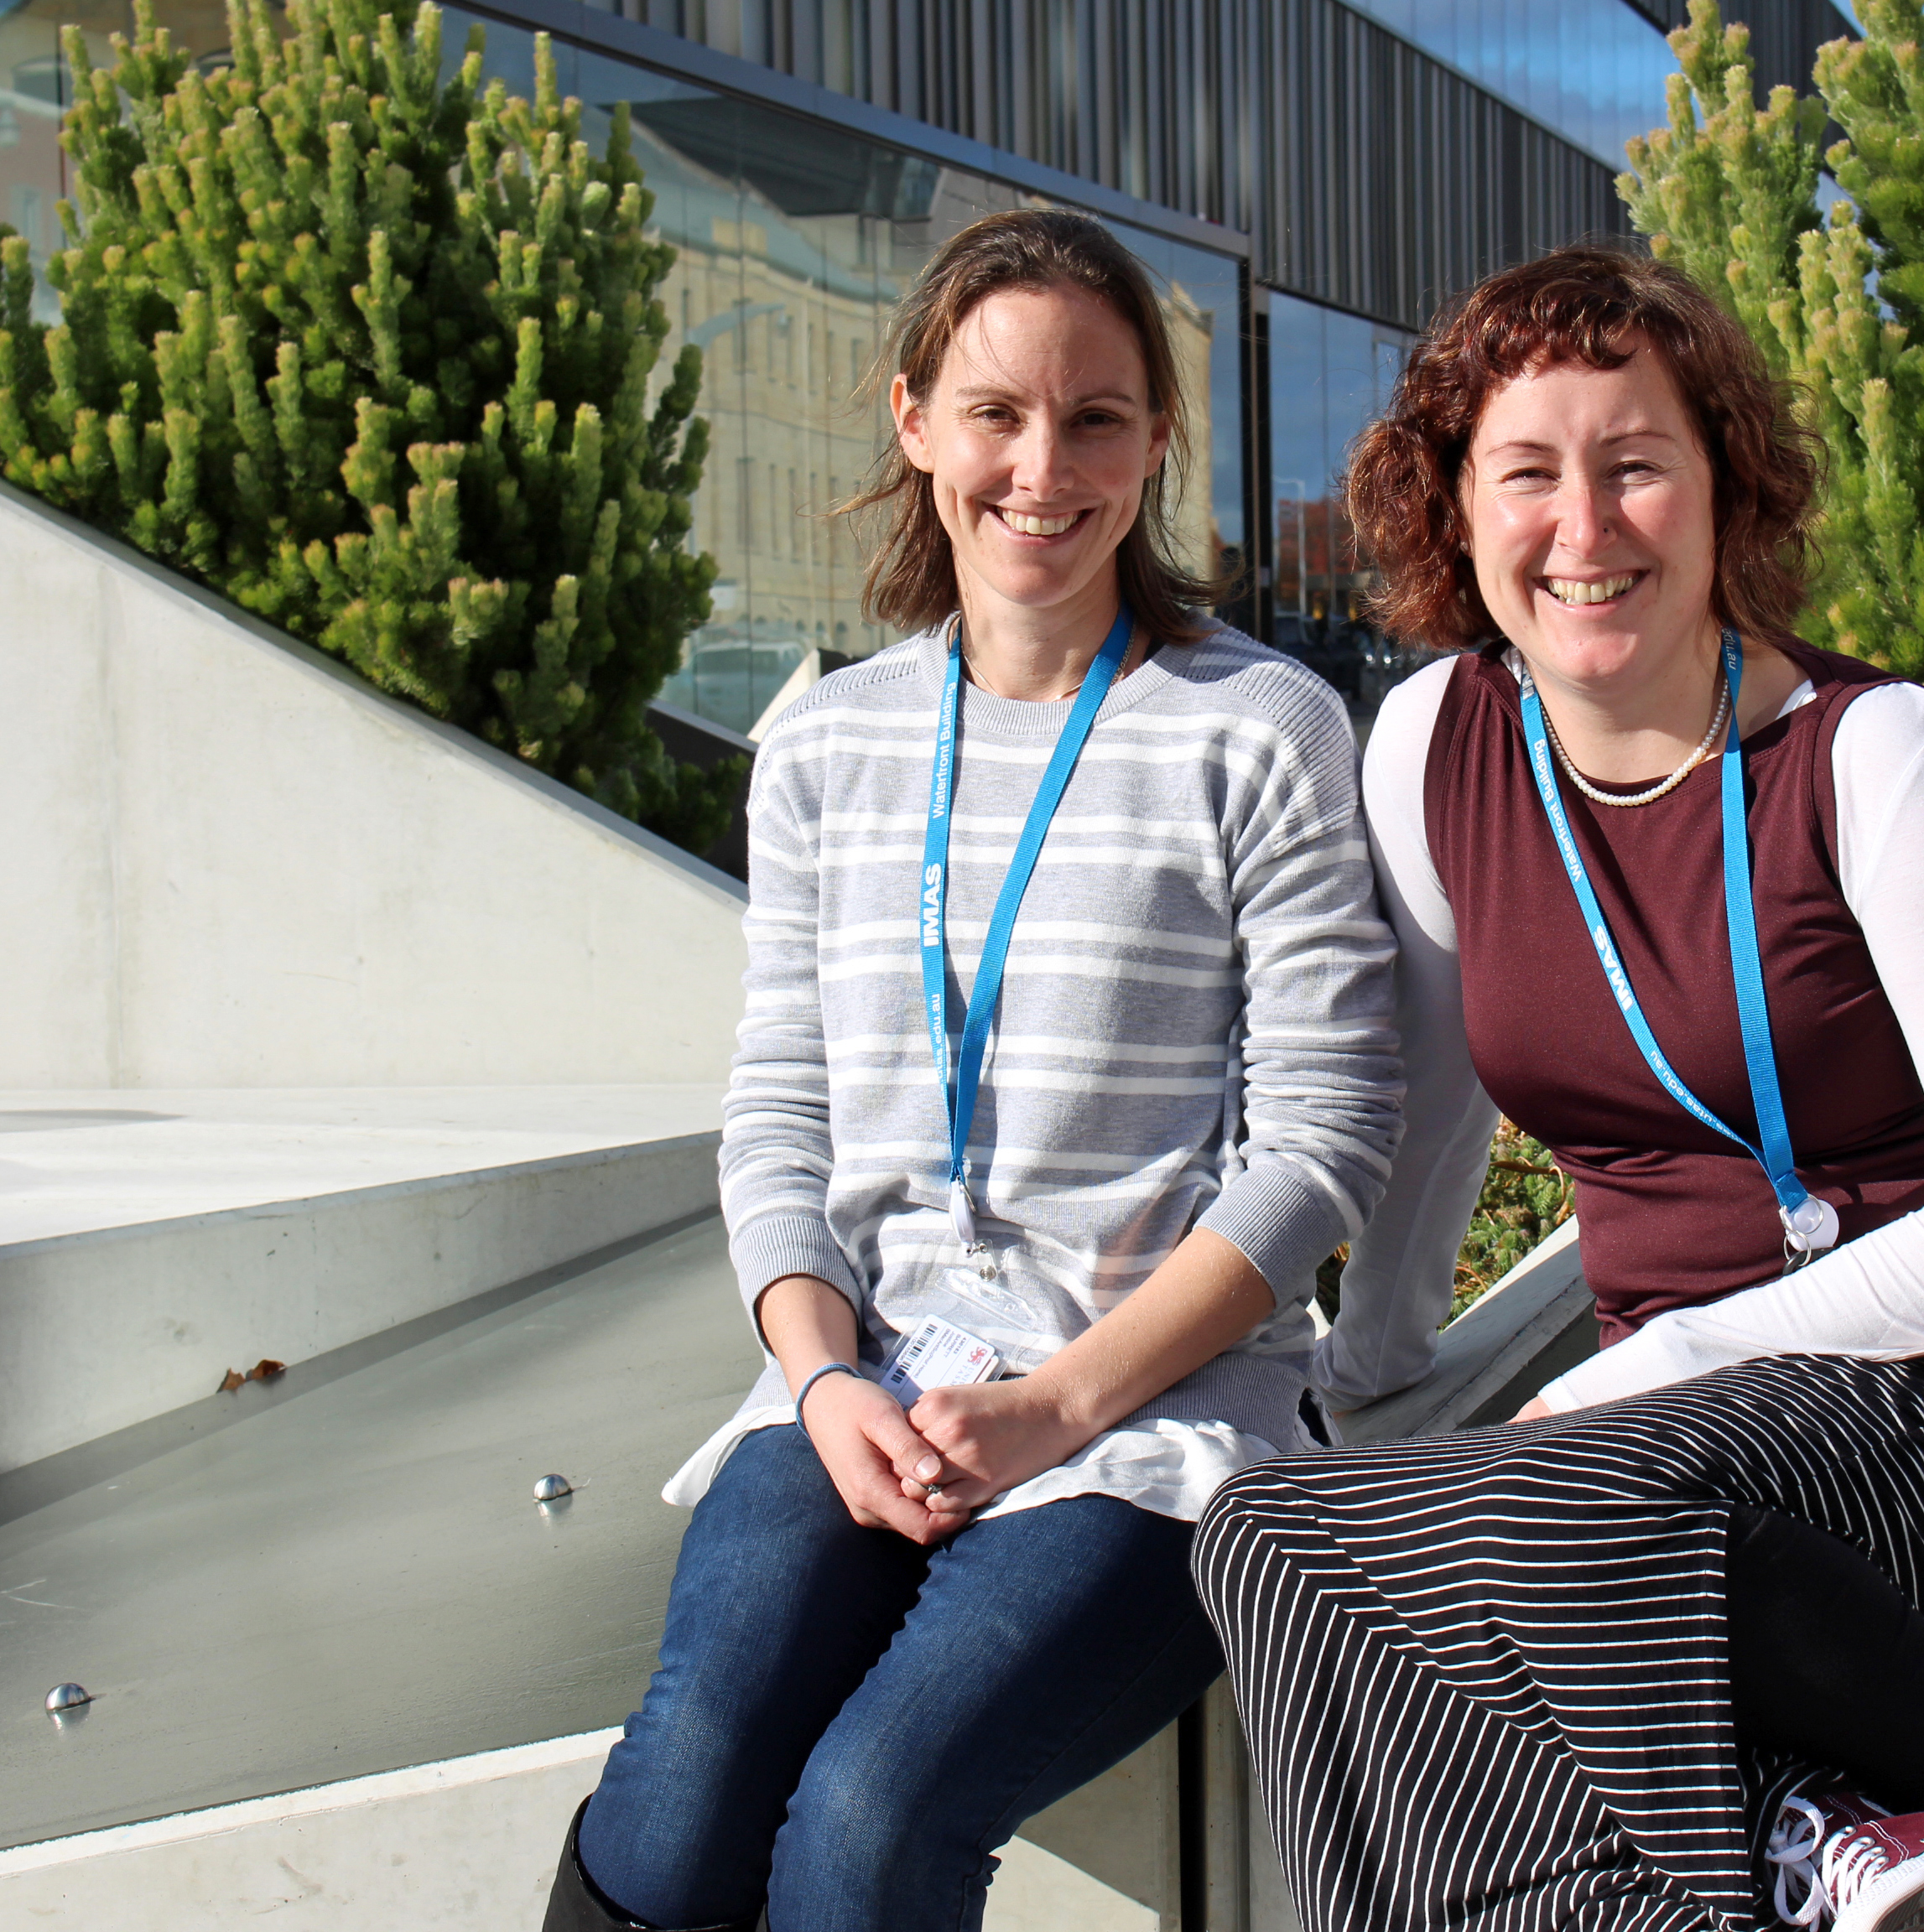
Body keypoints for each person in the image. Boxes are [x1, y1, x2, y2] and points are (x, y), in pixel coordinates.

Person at [1192, 245, 1924, 1932]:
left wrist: (1670, 1363)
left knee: (1574, 1498)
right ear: (1456, 509)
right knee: (1272, 1532)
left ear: (1725, 490)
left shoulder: (1881, 761)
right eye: (1527, 472)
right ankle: (1797, 1837)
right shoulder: (1436, 746)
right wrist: (1371, 1387)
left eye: (1637, 462)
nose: (1586, 527)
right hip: (1671, 1474)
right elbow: (1438, 1111)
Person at [542, 208, 1401, 1932]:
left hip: (1156, 1423)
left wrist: (1058, 1404)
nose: (1043, 466)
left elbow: (1322, 1147)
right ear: (915, 418)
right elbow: (780, 1111)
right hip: (870, 1387)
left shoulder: (1257, 728)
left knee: (870, 1819)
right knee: (690, 1772)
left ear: (1157, 445)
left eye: (1097, 418)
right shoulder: (828, 744)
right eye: (996, 413)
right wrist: (817, 1379)